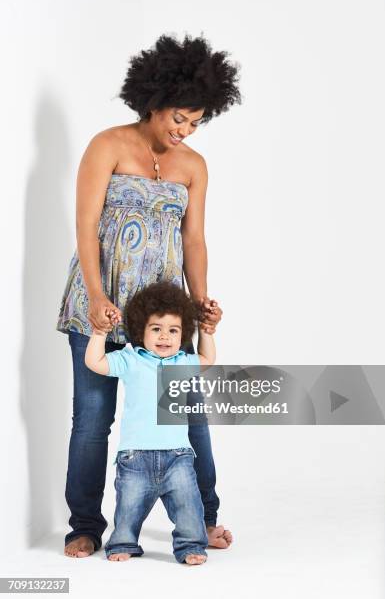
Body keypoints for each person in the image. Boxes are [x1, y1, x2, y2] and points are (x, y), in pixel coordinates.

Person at [57, 32, 242, 558]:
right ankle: (86, 525)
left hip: (165, 319)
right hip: (101, 306)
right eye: (178, 118)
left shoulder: (194, 166)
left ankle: (204, 517)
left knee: (190, 418)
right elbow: (86, 224)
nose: (185, 130)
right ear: (155, 101)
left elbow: (194, 238)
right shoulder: (108, 144)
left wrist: (202, 307)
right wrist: (95, 296)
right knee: (93, 421)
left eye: (195, 122)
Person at [85, 281, 215, 565]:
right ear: (140, 330)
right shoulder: (130, 359)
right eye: (156, 329)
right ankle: (123, 542)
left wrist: (206, 331)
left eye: (173, 331)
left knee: (188, 508)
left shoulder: (181, 363)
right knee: (128, 509)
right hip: (134, 458)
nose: (165, 337)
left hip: (178, 457)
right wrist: (99, 333)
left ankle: (191, 545)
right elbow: (95, 363)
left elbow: (207, 358)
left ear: (182, 336)